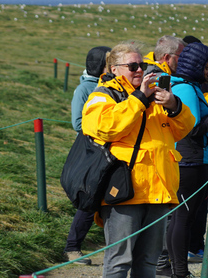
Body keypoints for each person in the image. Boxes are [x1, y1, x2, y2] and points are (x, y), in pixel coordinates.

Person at [81, 42, 195, 278]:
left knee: (148, 262)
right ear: (114, 69)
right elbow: (105, 127)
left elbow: (184, 129)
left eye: (142, 64)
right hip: (123, 191)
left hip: (159, 190)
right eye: (132, 66)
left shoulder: (155, 96)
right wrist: (140, 97)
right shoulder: (103, 95)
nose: (139, 70)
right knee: (119, 262)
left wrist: (174, 105)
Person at [167, 42, 208, 278]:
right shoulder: (185, 89)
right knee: (183, 218)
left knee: (182, 217)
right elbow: (192, 129)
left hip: (193, 160)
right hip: (189, 162)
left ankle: (175, 269)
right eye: (207, 66)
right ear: (195, 65)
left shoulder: (189, 87)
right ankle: (180, 272)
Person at [64, 46, 111, 265]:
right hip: (93, 153)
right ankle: (72, 248)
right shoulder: (85, 89)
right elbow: (77, 123)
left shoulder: (110, 86)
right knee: (89, 199)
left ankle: (115, 247)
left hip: (113, 152)